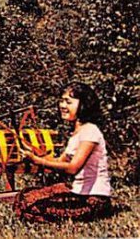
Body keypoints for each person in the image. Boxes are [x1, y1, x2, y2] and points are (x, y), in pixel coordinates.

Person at [15, 82, 112, 223]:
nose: (62, 106)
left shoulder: (90, 131)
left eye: (68, 102)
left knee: (32, 207)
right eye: (61, 101)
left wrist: (38, 161)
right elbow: (60, 162)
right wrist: (34, 154)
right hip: (78, 191)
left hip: (93, 199)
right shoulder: (77, 132)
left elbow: (73, 168)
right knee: (25, 197)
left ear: (83, 105)